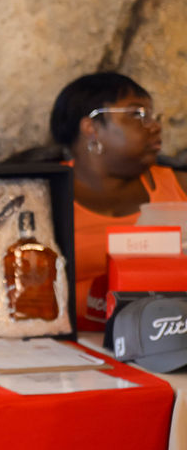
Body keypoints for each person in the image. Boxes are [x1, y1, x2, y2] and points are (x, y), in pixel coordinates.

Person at [49, 71, 187, 328]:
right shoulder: (43, 193)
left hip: (163, 338)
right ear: (91, 127)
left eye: (152, 116)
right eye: (137, 114)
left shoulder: (180, 188)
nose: (154, 126)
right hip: (62, 342)